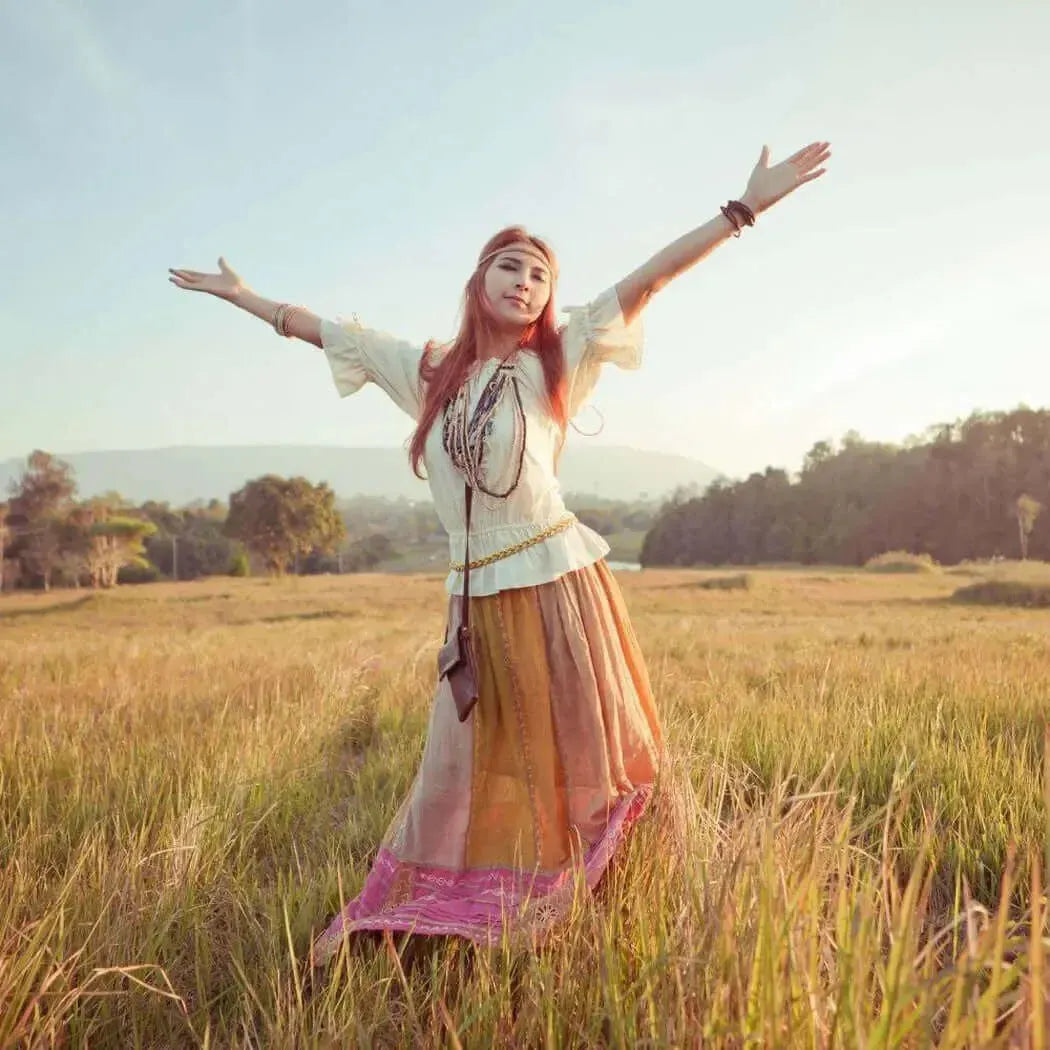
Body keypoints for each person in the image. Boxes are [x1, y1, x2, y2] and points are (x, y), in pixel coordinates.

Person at [169, 141, 831, 961]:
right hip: (476, 594)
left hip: (557, 579)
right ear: (479, 279)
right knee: (477, 757)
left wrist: (744, 208)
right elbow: (321, 330)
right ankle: (476, 894)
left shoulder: (564, 352)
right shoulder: (430, 371)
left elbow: (653, 274)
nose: (525, 283)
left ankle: (602, 889)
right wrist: (244, 298)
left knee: (580, 745)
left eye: (539, 276)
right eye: (511, 267)